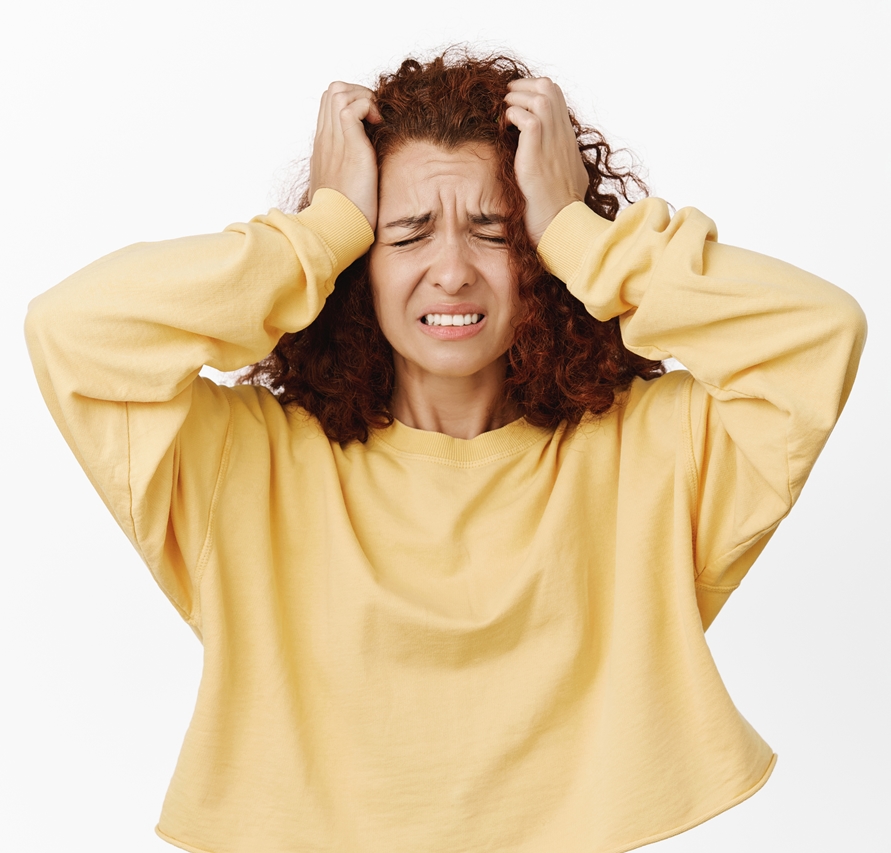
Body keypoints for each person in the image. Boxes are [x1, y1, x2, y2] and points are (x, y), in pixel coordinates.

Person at [25, 49, 866, 853]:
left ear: (536, 257)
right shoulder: (245, 465)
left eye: (495, 231)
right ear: (360, 263)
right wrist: (317, 234)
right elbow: (76, 331)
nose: (453, 270)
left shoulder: (648, 456)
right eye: (407, 233)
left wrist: (583, 236)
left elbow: (815, 334)